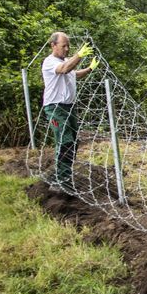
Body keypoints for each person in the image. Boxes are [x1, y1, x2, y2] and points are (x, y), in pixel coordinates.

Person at [41, 32, 98, 192]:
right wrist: (79, 55)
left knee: (72, 141)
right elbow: (65, 69)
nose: (66, 49)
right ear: (53, 45)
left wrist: (89, 69)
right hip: (56, 107)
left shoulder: (66, 61)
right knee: (65, 140)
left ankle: (60, 174)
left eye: (68, 46)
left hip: (69, 107)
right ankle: (63, 182)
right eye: (63, 46)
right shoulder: (49, 62)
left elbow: (74, 73)